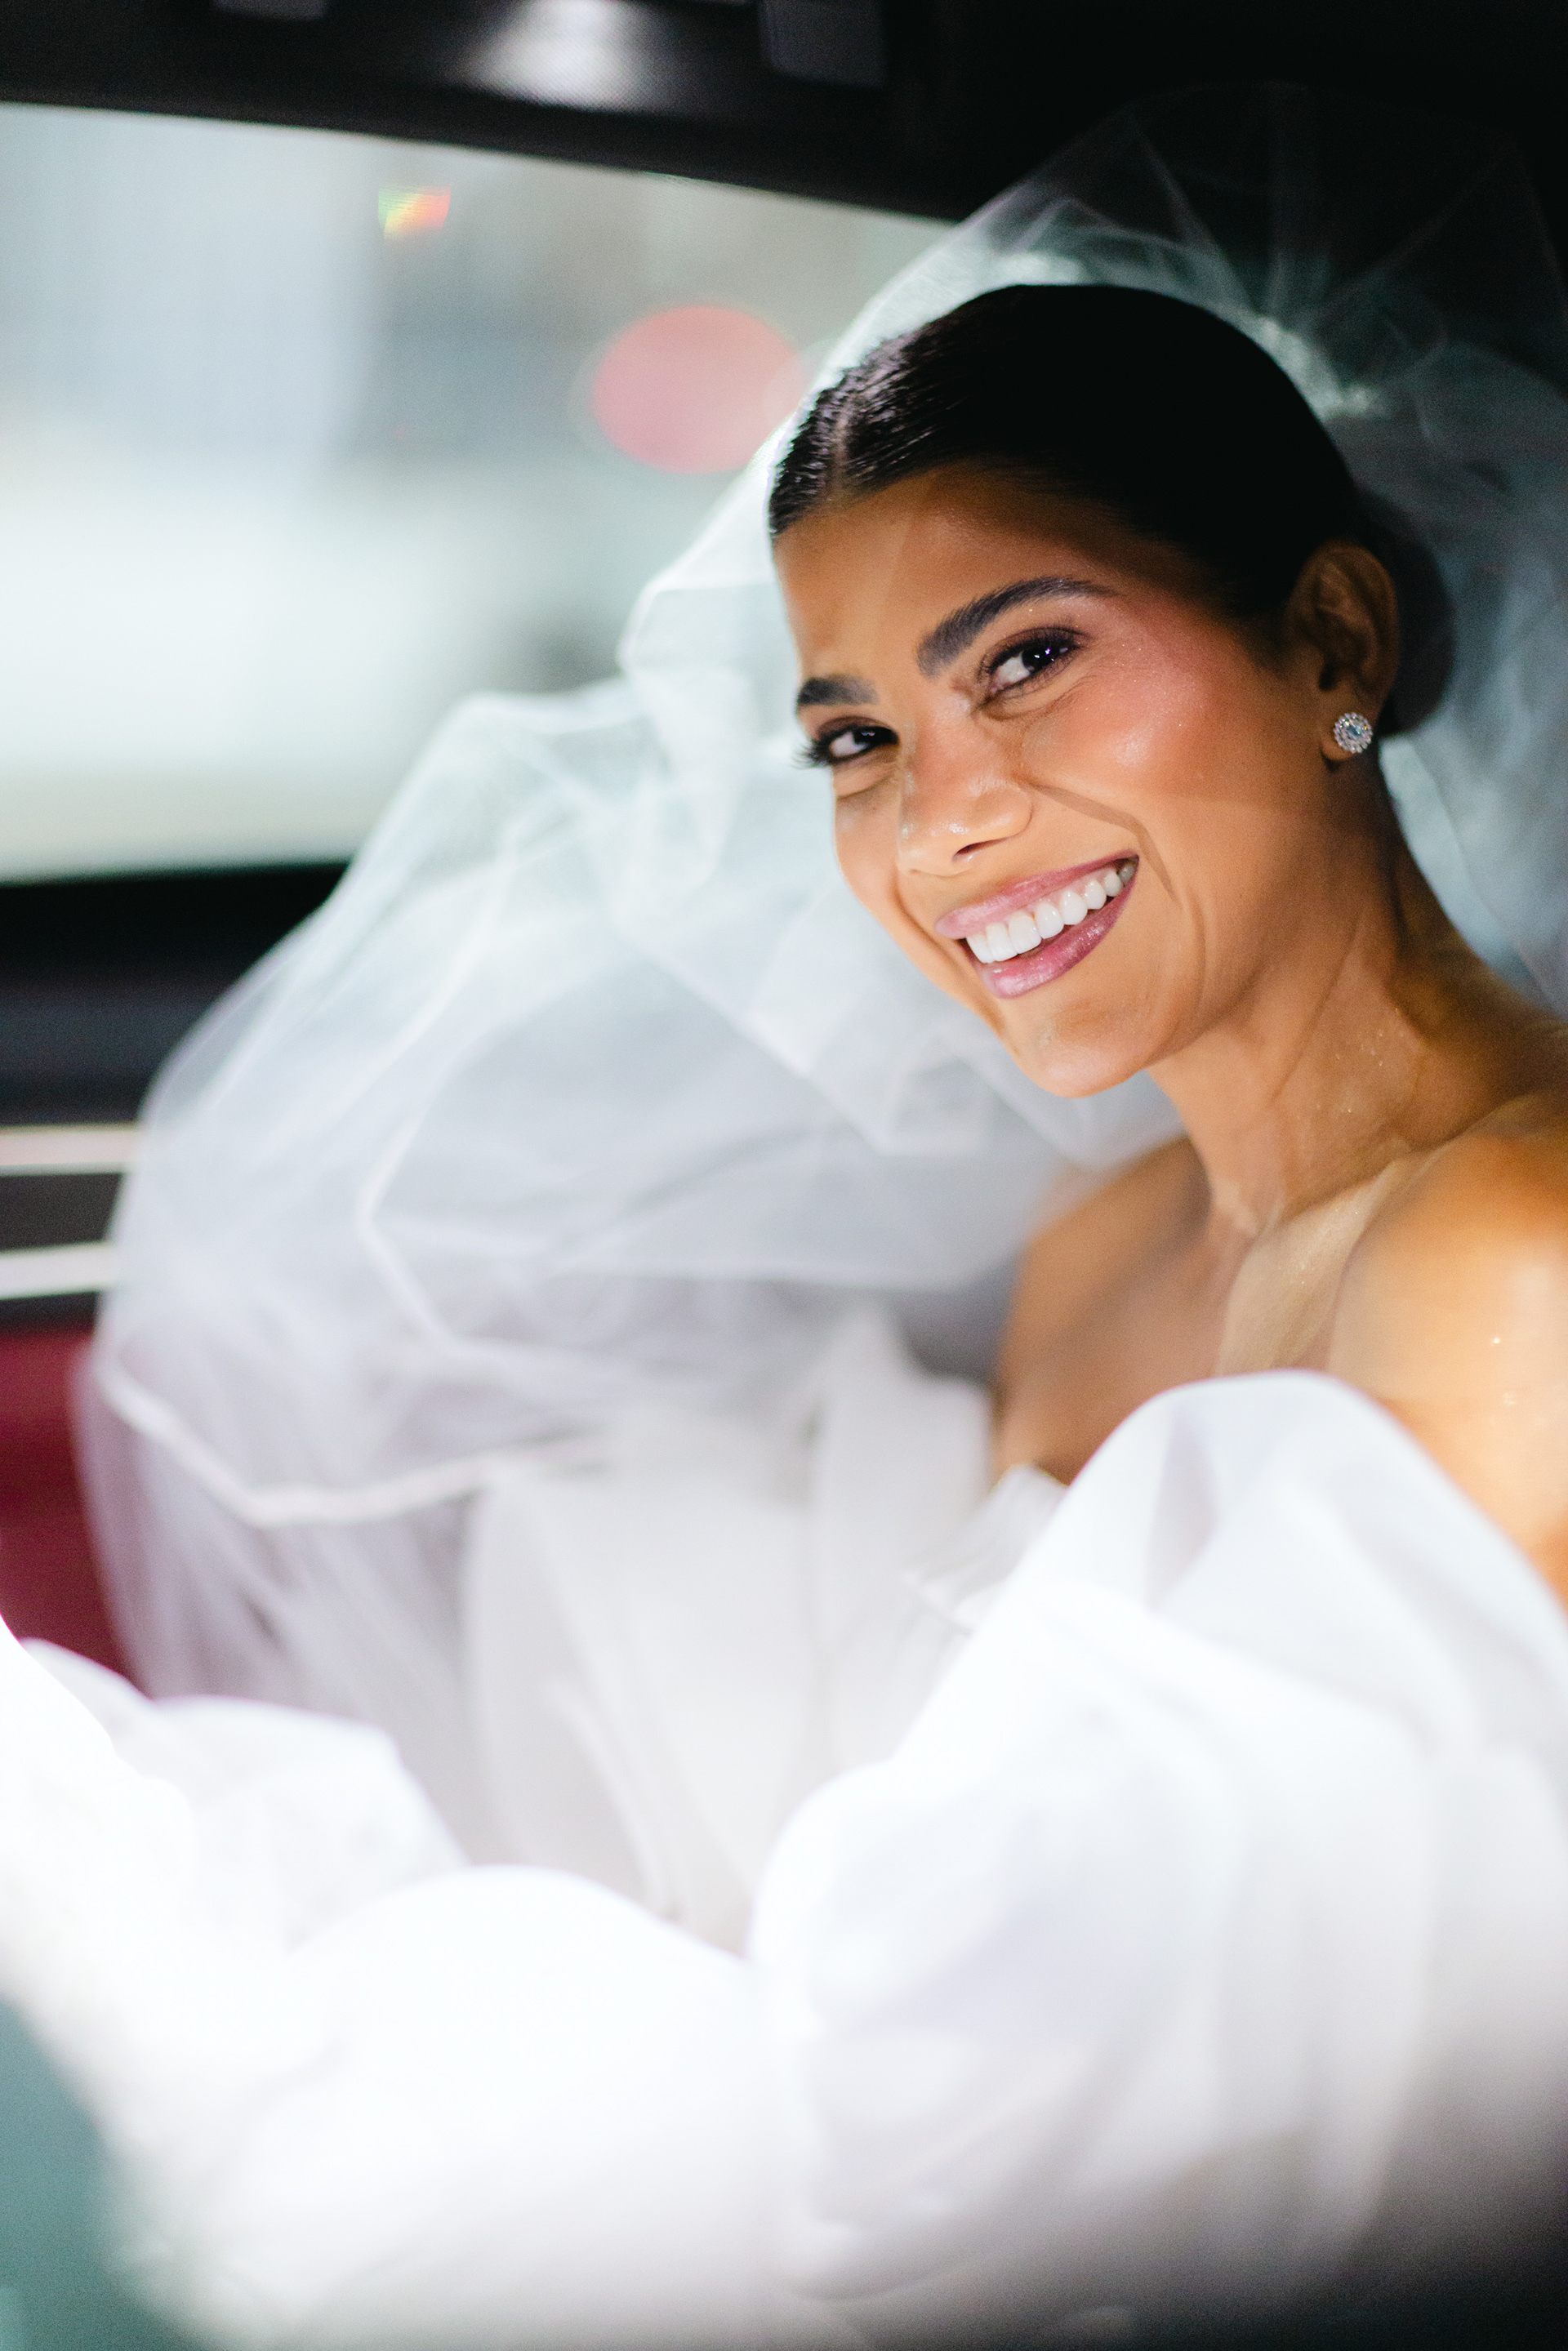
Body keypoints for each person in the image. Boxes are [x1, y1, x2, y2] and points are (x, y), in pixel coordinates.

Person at [5, 80, 1568, 2349]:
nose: (942, 826)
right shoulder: (1104, 1248)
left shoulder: (1518, 1265)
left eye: (1028, 661)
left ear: (1331, 641)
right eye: (856, 742)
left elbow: (1351, 2110)